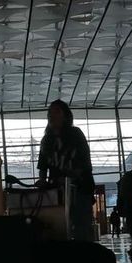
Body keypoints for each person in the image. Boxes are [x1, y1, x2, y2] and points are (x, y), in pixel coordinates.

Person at [38, 99, 96, 242]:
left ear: (65, 115)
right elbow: (42, 165)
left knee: (81, 226)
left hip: (81, 188)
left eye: (56, 111)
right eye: (50, 112)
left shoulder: (75, 134)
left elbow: (85, 162)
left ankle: (83, 257)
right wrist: (43, 180)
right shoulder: (47, 140)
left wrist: (72, 175)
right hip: (59, 191)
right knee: (60, 226)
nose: (52, 115)